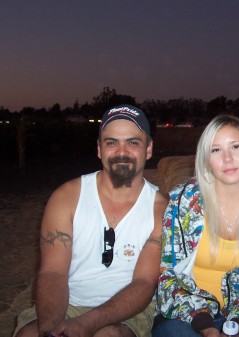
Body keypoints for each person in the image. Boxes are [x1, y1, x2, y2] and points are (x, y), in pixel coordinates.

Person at [14, 104, 168, 337]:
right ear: (99, 149)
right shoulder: (66, 197)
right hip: (66, 301)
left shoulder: (160, 209)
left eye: (133, 142)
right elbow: (53, 273)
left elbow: (144, 283)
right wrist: (49, 329)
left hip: (128, 311)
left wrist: (87, 324)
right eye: (111, 142)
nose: (121, 151)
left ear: (148, 149)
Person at [152, 115, 239, 337]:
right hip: (188, 313)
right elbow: (168, 276)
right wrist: (205, 325)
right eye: (216, 150)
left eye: (236, 146)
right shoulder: (183, 202)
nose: (227, 158)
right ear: (206, 160)